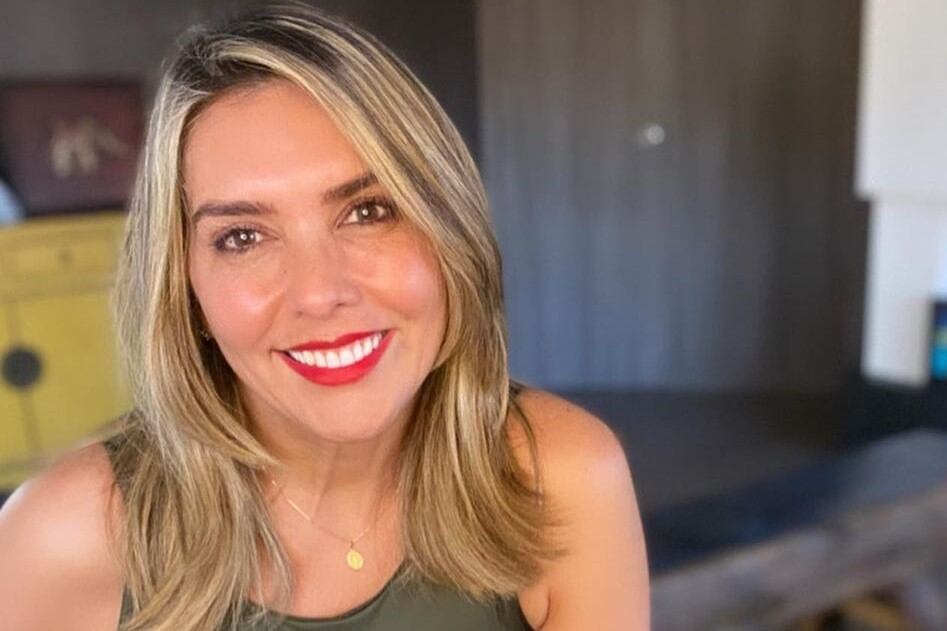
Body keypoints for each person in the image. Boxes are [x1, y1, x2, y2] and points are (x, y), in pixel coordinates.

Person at [0, 4, 649, 630]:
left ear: (450, 232)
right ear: (186, 291)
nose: (319, 292)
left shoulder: (559, 479)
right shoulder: (61, 537)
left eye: (368, 211)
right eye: (243, 237)